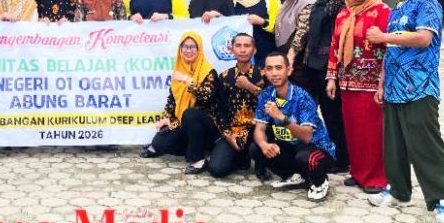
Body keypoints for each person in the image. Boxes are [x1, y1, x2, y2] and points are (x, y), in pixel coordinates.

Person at [365, 0, 444, 223]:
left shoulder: (427, 4)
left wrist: (383, 36)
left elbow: (423, 38)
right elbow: (391, 51)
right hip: (393, 89)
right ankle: (398, 191)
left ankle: (442, 201)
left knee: (425, 145)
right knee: (394, 145)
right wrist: (381, 83)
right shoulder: (396, 11)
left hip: (420, 88)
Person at [327, 0, 390, 194]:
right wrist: (331, 77)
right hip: (346, 83)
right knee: (353, 130)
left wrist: (383, 83)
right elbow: (335, 46)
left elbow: (391, 49)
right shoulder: (343, 14)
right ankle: (358, 172)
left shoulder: (382, 11)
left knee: (372, 132)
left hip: (372, 84)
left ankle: (376, 178)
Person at [250, 51, 336, 201]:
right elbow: (259, 129)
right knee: (256, 148)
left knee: (305, 157)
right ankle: (296, 176)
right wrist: (264, 144)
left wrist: (281, 118)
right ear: (265, 72)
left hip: (317, 149)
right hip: (291, 147)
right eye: (269, 69)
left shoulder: (302, 97)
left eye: (278, 68)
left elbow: (307, 136)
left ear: (289, 70)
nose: (274, 73)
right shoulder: (266, 95)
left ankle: (320, 182)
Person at [291, 0, 349, 171]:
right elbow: (306, 35)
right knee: (312, 113)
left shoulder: (343, 7)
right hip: (312, 67)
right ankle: (322, 151)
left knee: (333, 115)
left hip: (332, 68)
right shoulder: (317, 6)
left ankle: (342, 159)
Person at [140, 32, 221, 174]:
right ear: (180, 49)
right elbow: (172, 99)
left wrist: (187, 80)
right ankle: (193, 147)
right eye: (185, 47)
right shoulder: (178, 70)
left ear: (199, 49)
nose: (188, 50)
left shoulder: (208, 72)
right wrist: (166, 117)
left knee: (190, 114)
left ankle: (199, 160)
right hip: (183, 123)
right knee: (159, 143)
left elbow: (207, 97)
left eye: (193, 47)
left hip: (207, 124)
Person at [208, 33, 265, 178]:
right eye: (238, 46)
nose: (243, 50)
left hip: (257, 130)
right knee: (217, 169)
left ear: (254, 50)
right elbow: (219, 110)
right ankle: (240, 158)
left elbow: (272, 103)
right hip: (234, 131)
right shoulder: (224, 77)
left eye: (247, 46)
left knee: (261, 143)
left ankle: (260, 164)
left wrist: (250, 87)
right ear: (232, 50)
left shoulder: (264, 75)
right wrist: (228, 135)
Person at [232, 0, 280, 67]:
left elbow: (279, 26)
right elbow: (227, 23)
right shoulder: (235, 1)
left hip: (265, 55)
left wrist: (261, 21)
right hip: (241, 56)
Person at [274, 0, 316, 84]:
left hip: (298, 64)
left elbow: (302, 32)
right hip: (286, 61)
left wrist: (290, 57)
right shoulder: (284, 6)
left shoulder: (306, 4)